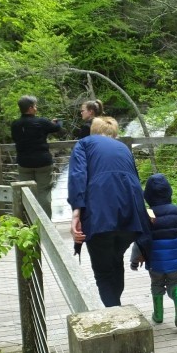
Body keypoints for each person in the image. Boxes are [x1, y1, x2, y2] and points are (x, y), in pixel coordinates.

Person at [68, 116, 151, 307]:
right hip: (131, 217)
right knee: (115, 260)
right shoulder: (123, 148)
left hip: (99, 216)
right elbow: (135, 181)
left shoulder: (84, 144)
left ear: (93, 130)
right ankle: (116, 307)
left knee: (103, 271)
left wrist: (76, 214)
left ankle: (115, 313)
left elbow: (78, 177)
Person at [130, 173, 177, 327]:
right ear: (169, 192)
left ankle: (158, 315)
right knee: (174, 282)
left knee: (156, 285)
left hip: (155, 262)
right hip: (175, 260)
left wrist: (134, 260)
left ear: (148, 196)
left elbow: (140, 240)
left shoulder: (147, 214)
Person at [10, 95, 62, 218]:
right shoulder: (41, 122)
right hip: (42, 162)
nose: (36, 108)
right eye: (35, 106)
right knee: (43, 192)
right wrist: (58, 121)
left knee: (27, 194)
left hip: (24, 163)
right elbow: (57, 128)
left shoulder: (15, 124)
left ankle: (30, 223)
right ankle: (46, 223)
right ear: (31, 108)